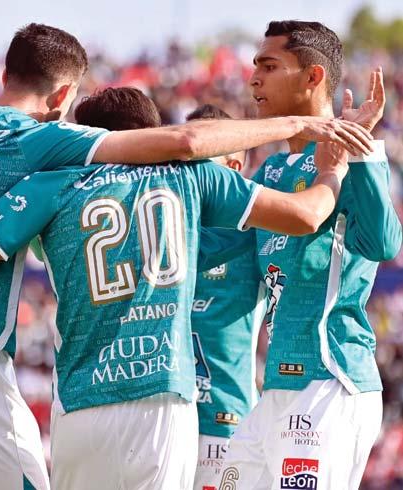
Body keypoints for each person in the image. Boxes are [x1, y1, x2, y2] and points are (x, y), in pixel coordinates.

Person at [0, 20, 374, 489]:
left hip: (80, 403)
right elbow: (303, 213)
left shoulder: (43, 183)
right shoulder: (191, 177)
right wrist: (333, 167)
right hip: (161, 399)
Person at [213, 21, 402, 490]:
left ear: (313, 77)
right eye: (254, 66)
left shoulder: (346, 160)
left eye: (269, 66)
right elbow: (224, 251)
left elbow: (384, 244)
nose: (253, 79)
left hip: (330, 379)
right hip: (277, 387)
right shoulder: (271, 170)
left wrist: (360, 151)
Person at [186, 104, 266, 490]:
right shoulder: (159, 227)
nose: (187, 170)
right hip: (161, 419)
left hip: (226, 424)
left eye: (199, 159)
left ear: (233, 167)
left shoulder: (256, 236)